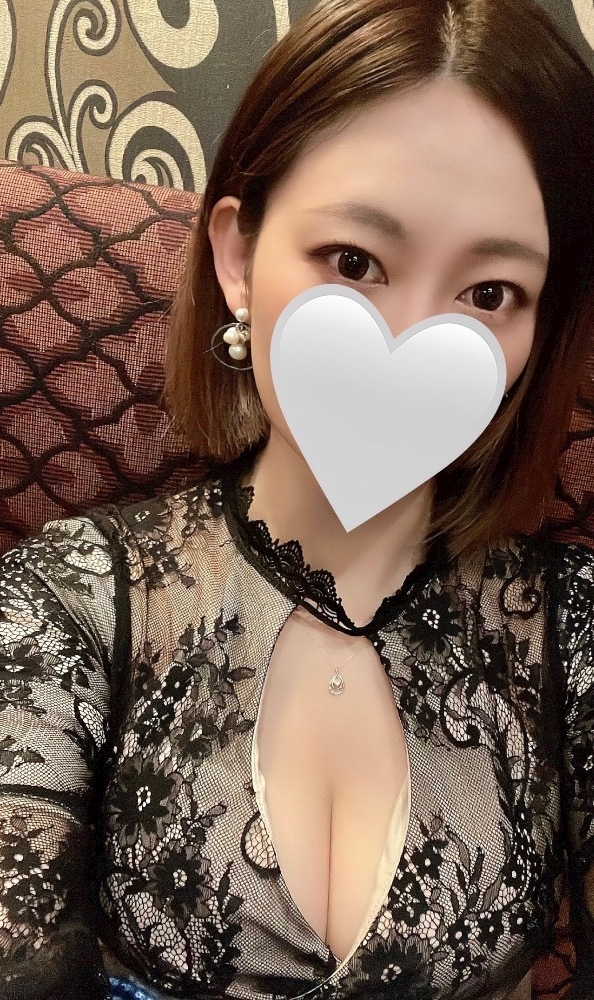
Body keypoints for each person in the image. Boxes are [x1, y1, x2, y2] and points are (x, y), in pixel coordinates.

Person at [1, 0, 593, 998]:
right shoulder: (72, 604)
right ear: (238, 257)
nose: (410, 338)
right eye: (354, 263)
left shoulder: (571, 635)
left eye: (490, 293)